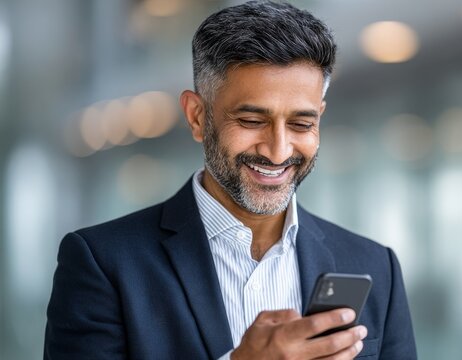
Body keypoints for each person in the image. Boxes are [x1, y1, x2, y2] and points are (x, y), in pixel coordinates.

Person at [44, 1, 416, 359]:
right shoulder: (103, 263)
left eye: (302, 124)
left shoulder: (373, 265)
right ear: (196, 117)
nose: (278, 150)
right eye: (252, 121)